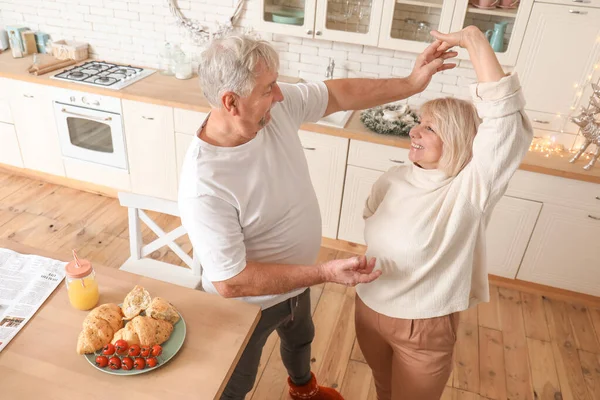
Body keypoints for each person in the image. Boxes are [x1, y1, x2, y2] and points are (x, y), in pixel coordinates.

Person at [178, 34, 456, 400]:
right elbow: (233, 282)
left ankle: (303, 389)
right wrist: (323, 273)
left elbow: (338, 94)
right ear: (231, 101)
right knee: (236, 383)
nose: (280, 94)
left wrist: (410, 83)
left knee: (300, 338)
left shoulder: (272, 113)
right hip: (247, 305)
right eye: (268, 88)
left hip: (296, 282)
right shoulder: (205, 184)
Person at [354, 25, 534, 400]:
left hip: (422, 325)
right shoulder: (395, 178)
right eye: (418, 123)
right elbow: (371, 216)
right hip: (368, 307)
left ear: (454, 139)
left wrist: (473, 41)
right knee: (383, 389)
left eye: (429, 128)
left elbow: (505, 126)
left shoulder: (468, 190)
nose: (414, 133)